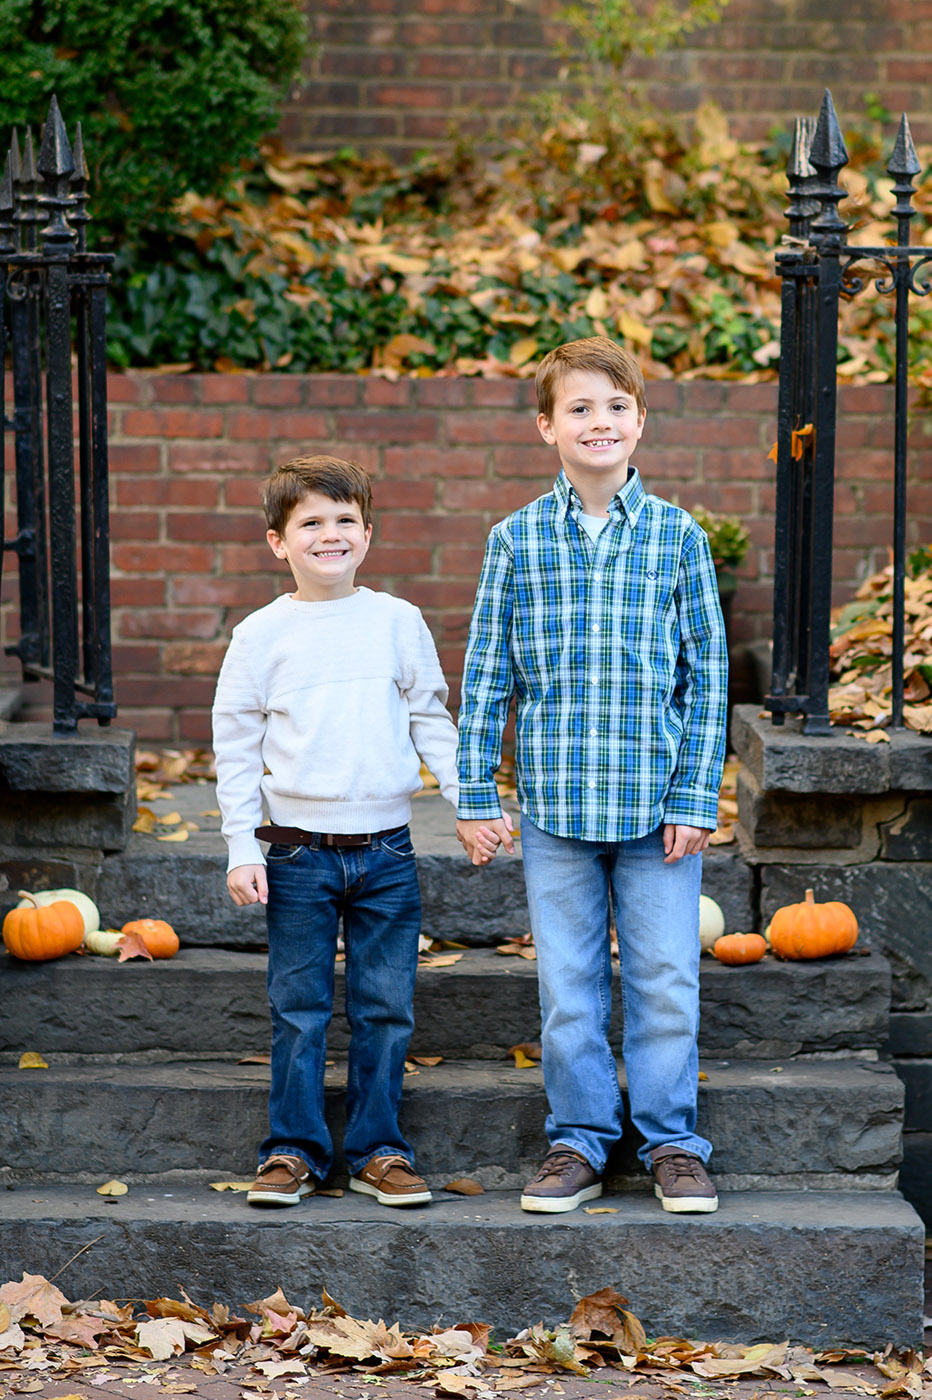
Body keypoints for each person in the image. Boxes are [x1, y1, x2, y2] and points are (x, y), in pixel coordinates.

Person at [455, 336, 728, 1215]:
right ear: (548, 426)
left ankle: (672, 1142)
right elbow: (487, 674)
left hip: (658, 811)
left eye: (615, 406)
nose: (598, 422)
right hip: (557, 806)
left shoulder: (679, 538)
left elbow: (707, 677)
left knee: (664, 983)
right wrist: (474, 790)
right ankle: (578, 1140)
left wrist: (696, 795)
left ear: (640, 421)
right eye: (579, 408)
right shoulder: (516, 541)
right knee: (569, 991)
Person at [212, 454, 493, 1210]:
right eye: (311, 522)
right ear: (278, 541)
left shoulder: (397, 621)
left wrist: (469, 801)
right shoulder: (260, 635)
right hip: (295, 854)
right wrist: (241, 846)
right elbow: (235, 748)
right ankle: (293, 1151)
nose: (330, 534)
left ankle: (378, 1151)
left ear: (368, 534)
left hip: (387, 852)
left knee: (385, 1009)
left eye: (345, 520)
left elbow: (431, 719)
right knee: (298, 1010)